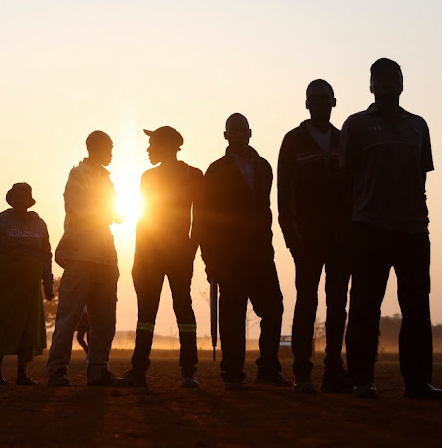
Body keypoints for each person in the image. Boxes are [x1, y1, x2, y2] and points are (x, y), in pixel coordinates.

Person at [340, 58, 442, 399]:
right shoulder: (355, 126)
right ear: (370, 86)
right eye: (379, 78)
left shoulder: (418, 126)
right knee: (365, 307)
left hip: (413, 230)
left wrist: (420, 217)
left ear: (402, 83)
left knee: (416, 307)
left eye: (392, 77)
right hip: (369, 228)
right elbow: (345, 180)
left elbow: (421, 176)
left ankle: (417, 382)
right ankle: (361, 379)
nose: (386, 83)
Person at [200, 113, 289, 389]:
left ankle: (268, 369)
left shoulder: (264, 167)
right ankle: (233, 373)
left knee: (273, 309)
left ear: (250, 133)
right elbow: (204, 218)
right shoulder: (215, 171)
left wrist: (269, 245)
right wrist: (210, 259)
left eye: (242, 131)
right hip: (229, 257)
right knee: (232, 316)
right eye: (233, 131)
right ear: (226, 136)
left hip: (261, 253)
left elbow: (265, 209)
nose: (238, 135)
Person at [278, 80, 352, 393]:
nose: (320, 104)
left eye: (324, 99)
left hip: (339, 237)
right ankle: (303, 373)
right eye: (314, 100)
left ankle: (333, 370)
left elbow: (352, 187)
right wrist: (291, 238)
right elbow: (282, 194)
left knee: (337, 305)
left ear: (333, 102)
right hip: (306, 238)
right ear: (307, 104)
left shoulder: (343, 140)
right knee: (306, 305)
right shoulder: (293, 140)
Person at [118, 126, 203, 389]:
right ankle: (139, 370)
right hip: (153, 254)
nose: (148, 149)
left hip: (173, 254)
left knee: (182, 310)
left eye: (153, 144)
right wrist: (138, 259)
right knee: (148, 313)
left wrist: (190, 250)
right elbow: (145, 219)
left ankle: (188, 371)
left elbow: (199, 218)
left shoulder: (193, 175)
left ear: (168, 146)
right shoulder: (149, 177)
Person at [46, 131, 124, 387]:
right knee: (69, 316)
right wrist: (106, 211)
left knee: (105, 318)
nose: (112, 152)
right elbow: (87, 209)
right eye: (109, 147)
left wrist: (106, 212)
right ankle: (57, 370)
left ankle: (98, 369)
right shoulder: (78, 175)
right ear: (94, 147)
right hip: (80, 255)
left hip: (105, 257)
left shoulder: (105, 178)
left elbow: (118, 213)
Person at [0, 183, 54, 385]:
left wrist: (48, 284)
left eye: (24, 197)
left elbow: (46, 255)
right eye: (17, 197)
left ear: (29, 201)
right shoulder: (1, 222)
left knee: (26, 328)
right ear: (11, 200)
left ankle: (22, 374)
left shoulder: (39, 223)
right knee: (2, 326)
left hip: (30, 284)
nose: (20, 201)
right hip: (5, 281)